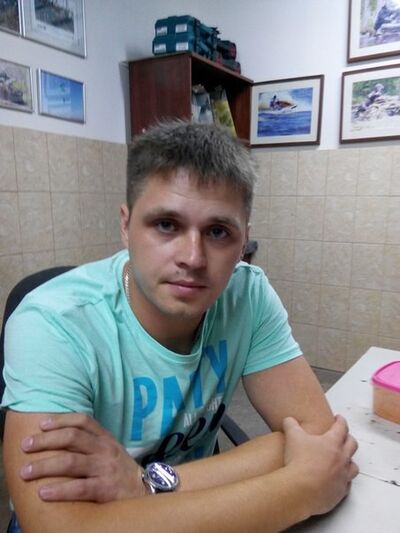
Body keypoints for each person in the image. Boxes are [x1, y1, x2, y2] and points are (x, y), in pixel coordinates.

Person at [2, 121, 358, 533]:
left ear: (243, 243)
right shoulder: (54, 321)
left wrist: (149, 483)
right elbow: (57, 526)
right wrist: (300, 491)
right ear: (125, 225)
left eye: (218, 232)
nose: (193, 257)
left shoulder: (247, 295)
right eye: (167, 225)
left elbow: (317, 434)